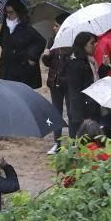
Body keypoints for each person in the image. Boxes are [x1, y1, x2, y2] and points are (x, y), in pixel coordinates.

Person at [0, 0, 46, 89]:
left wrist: (32, 57)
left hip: (22, 69)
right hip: (7, 68)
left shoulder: (27, 27)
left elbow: (41, 41)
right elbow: (5, 43)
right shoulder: (6, 26)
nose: (8, 15)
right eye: (6, 12)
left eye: (11, 12)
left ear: (18, 11)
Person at [64, 31, 111, 137]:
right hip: (83, 113)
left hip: (91, 108)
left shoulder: (89, 61)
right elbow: (77, 91)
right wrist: (80, 116)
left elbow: (95, 82)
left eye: (95, 42)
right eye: (92, 42)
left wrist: (104, 67)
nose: (95, 45)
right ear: (83, 45)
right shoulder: (76, 64)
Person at [42, 13, 72, 154]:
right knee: (56, 112)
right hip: (55, 81)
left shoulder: (73, 42)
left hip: (70, 83)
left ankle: (73, 142)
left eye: (56, 25)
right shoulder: (51, 40)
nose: (54, 28)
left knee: (72, 113)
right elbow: (48, 63)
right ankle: (57, 143)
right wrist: (45, 56)